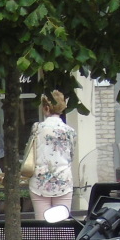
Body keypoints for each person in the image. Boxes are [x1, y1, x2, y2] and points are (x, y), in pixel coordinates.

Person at [26, 90, 77, 219]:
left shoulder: (37, 128)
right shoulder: (70, 131)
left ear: (46, 108)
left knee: (42, 224)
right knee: (62, 224)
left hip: (40, 181)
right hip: (63, 181)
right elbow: (71, 156)